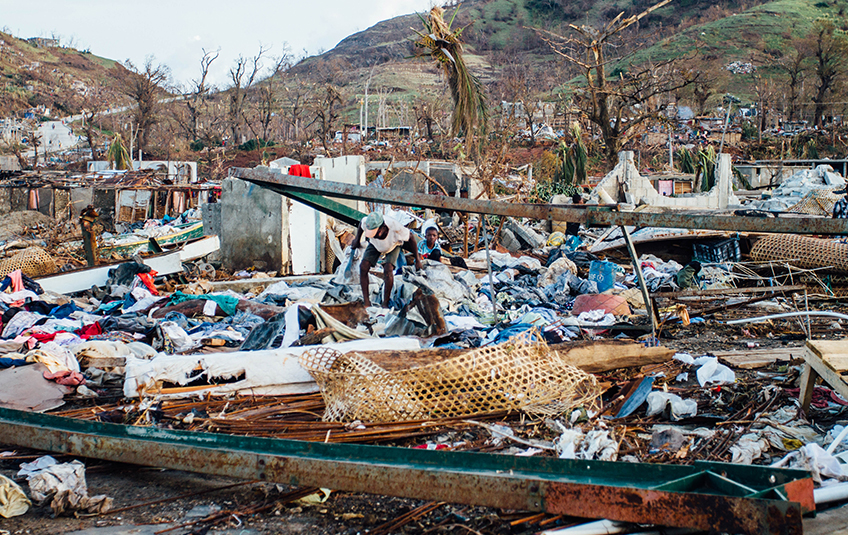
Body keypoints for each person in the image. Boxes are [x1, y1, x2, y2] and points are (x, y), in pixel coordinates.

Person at [351, 212, 421, 308]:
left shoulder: (396, 227)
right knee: (363, 267)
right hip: (375, 245)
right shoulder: (368, 223)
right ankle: (366, 302)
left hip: (393, 245)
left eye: (376, 233)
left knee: (388, 269)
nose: (374, 235)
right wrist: (357, 240)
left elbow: (411, 238)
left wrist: (417, 259)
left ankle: (385, 302)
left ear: (383, 227)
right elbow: (361, 225)